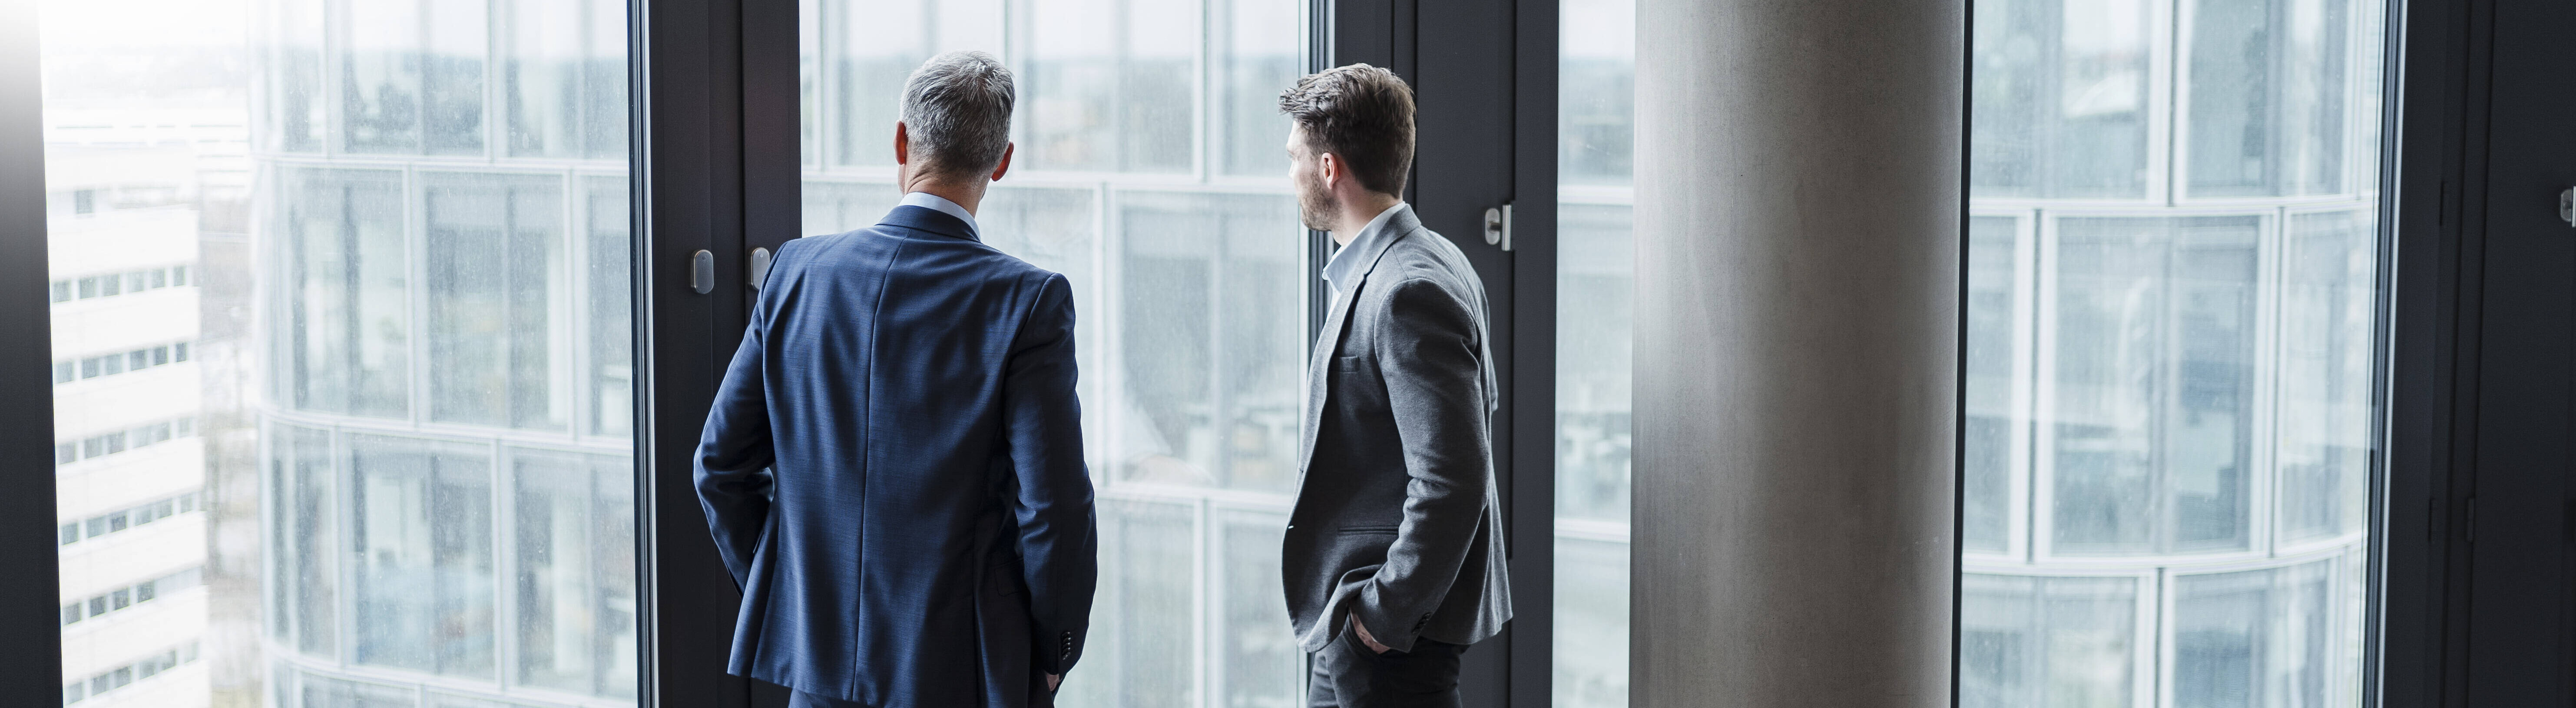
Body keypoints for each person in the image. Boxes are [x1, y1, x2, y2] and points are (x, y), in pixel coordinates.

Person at [694, 50, 1096, 708]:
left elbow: (719, 468)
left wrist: (802, 599)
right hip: (964, 673)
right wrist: (1051, 651)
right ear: (1001, 161)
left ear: (902, 141)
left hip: (819, 679)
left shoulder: (797, 272)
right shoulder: (1027, 301)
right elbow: (1053, 512)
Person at [1277, 63, 1512, 708]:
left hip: (1390, 640)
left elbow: (1452, 479)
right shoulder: (1426, 259)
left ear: (1329, 169)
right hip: (1367, 629)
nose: (1289, 175)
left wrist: (1377, 620)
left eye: (1294, 158)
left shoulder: (1408, 287)